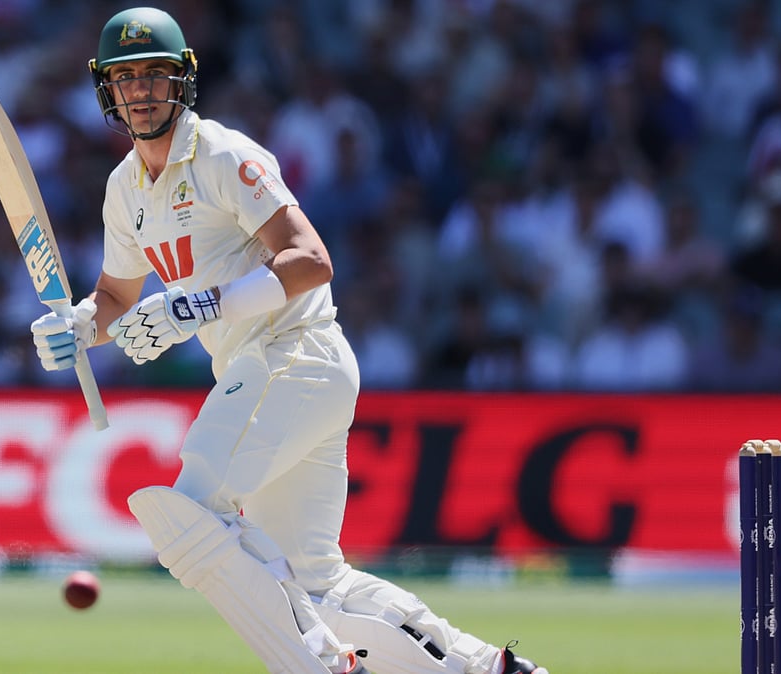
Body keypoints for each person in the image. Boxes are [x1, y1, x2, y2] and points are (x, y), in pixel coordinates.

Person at [30, 8, 547, 674]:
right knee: (315, 584)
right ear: (108, 90)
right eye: (127, 78)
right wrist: (79, 326)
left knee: (189, 514)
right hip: (263, 374)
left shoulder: (222, 155)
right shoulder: (123, 188)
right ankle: (490, 669)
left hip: (295, 353)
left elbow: (311, 260)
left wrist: (199, 305)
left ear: (182, 80)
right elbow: (115, 296)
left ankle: (325, 666)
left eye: (155, 74)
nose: (142, 90)